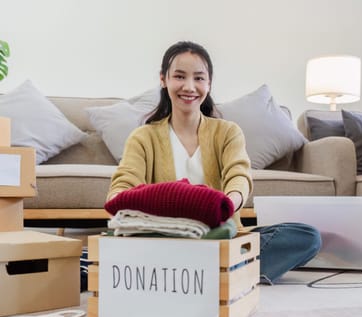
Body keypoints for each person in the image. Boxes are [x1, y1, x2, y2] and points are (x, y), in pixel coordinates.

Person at [107, 41, 321, 284]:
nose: (189, 87)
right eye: (179, 76)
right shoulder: (143, 137)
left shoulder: (228, 132)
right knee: (119, 242)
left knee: (307, 236)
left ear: (209, 83)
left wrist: (226, 206)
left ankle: (204, 273)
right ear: (163, 79)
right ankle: (226, 273)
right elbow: (121, 189)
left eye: (199, 78)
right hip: (166, 240)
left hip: (221, 239)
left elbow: (238, 176)